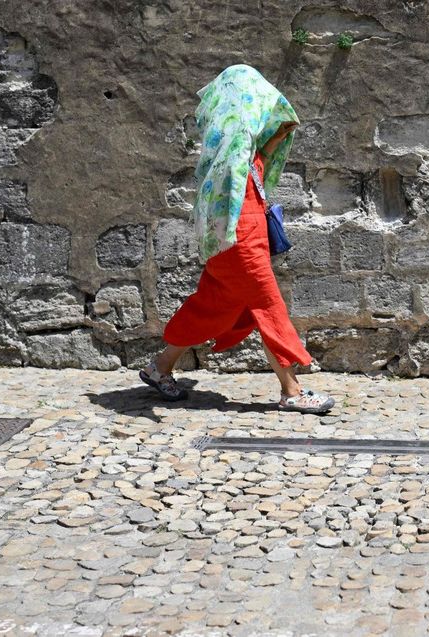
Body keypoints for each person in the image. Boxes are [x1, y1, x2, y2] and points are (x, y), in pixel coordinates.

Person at [140, 64, 334, 414]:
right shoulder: (234, 144)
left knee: (212, 307)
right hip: (239, 237)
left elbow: (259, 156)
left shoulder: (235, 141)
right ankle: (292, 391)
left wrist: (281, 127)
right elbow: (236, 176)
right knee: (268, 305)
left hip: (238, 238)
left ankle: (160, 367)